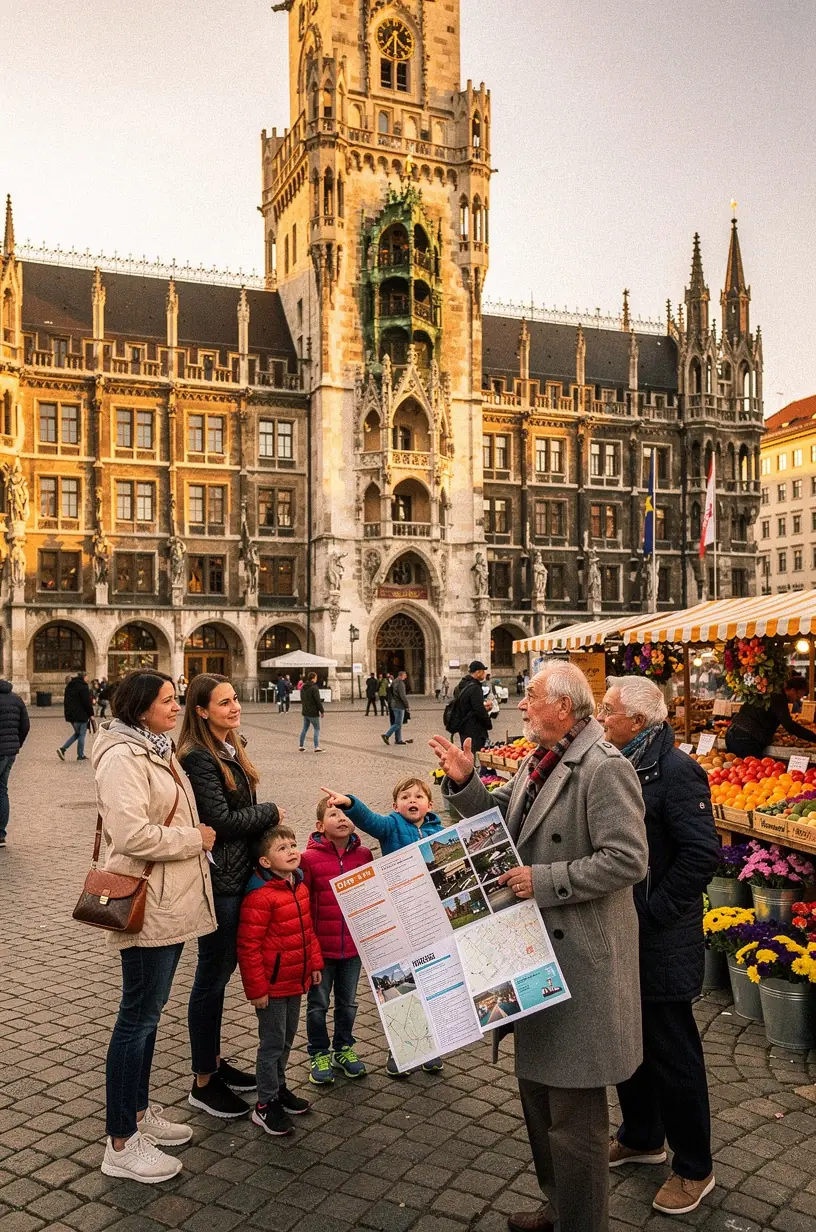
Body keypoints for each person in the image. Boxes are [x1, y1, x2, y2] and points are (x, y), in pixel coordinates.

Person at [430, 661, 648, 1232]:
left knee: (574, 1117)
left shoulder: (603, 768)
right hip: (532, 954)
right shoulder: (538, 758)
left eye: (530, 697)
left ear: (565, 707)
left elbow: (628, 859)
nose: (520, 706)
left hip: (581, 961)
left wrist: (545, 879)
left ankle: (583, 1223)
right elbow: (505, 822)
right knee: (537, 1098)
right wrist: (463, 783)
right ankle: (557, 1206)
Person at [599, 676, 719, 1216]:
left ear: (639, 723)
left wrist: (652, 913)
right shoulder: (620, 762)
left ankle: (694, 1166)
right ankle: (643, 1134)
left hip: (660, 937)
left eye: (609, 711)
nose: (601, 719)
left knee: (673, 1054)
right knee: (629, 1040)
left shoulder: (676, 771)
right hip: (623, 932)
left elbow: (700, 855)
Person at [93, 670, 217, 1184]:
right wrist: (196, 839)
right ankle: (120, 1142)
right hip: (147, 901)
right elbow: (130, 834)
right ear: (141, 707)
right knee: (137, 1017)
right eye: (168, 699)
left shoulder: (154, 747)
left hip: (168, 900)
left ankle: (140, 1114)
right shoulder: (123, 756)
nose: (177, 705)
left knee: (148, 1012)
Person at [178, 674, 281, 1120]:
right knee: (211, 977)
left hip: (236, 877)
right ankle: (203, 1081)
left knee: (219, 973)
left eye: (235, 699)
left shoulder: (228, 747)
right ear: (201, 711)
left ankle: (215, 1065)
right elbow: (218, 822)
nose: (235, 706)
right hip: (220, 882)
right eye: (225, 702)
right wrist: (270, 812)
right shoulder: (199, 756)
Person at [321, 776, 445, 1077]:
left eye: (418, 796)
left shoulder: (439, 831)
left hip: (429, 920)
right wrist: (349, 803)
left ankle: (430, 1045)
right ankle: (400, 1048)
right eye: (405, 797)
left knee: (431, 982)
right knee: (400, 987)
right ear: (395, 805)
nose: (412, 800)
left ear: (430, 804)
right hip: (397, 921)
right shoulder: (391, 826)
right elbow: (369, 820)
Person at [236, 825, 323, 1136]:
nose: (291, 851)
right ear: (264, 862)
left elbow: (307, 930)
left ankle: (280, 1089)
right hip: (271, 987)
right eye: (282, 848)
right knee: (271, 1044)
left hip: (295, 979)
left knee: (286, 1039)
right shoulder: (260, 897)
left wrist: (313, 962)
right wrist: (257, 989)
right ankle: (265, 1103)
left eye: (293, 845)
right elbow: (248, 947)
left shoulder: (298, 886)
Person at [300, 798, 373, 1085]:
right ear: (320, 826)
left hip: (353, 947)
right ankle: (318, 1051)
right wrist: (309, 948)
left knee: (349, 1002)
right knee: (317, 1003)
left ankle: (344, 1047)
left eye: (344, 814)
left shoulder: (364, 855)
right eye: (333, 814)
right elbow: (302, 905)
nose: (341, 819)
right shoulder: (308, 859)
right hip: (322, 947)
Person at [725, 674, 816, 758]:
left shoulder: (771, 690)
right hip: (746, 738)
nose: (796, 700)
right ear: (792, 690)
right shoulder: (779, 697)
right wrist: (813, 737)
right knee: (748, 771)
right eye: (797, 697)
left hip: (733, 732)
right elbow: (789, 725)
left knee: (737, 770)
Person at [0, 679, 29, 847]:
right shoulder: (17, 699)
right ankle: (1, 834)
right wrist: (16, 745)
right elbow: (25, 726)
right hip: (10, 752)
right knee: (2, 790)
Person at [449, 661, 492, 754]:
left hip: (462, 726)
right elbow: (478, 709)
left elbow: (466, 704)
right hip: (474, 728)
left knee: (467, 752)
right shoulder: (475, 687)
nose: (484, 674)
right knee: (476, 754)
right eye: (483, 671)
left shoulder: (460, 685)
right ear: (478, 672)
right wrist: (488, 723)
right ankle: (474, 769)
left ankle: (469, 768)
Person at [57, 670, 94, 762]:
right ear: (84, 677)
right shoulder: (83, 687)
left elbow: (66, 702)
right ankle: (80, 755)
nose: (88, 679)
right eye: (87, 677)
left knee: (77, 734)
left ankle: (63, 749)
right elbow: (86, 702)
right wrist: (91, 714)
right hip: (81, 715)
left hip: (71, 716)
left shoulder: (69, 686)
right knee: (82, 735)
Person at [382, 670, 412, 745]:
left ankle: (398, 739)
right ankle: (386, 735)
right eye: (405, 675)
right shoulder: (400, 683)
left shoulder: (394, 682)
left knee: (397, 722)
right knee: (398, 723)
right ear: (402, 675)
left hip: (393, 704)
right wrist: (407, 705)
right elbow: (403, 696)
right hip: (399, 705)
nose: (406, 677)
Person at [299, 672, 324, 752]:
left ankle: (301, 745)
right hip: (313, 712)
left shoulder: (303, 687)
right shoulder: (314, 687)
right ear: (313, 678)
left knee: (304, 729)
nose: (317, 678)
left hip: (305, 711)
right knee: (317, 728)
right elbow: (317, 701)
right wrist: (322, 711)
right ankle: (316, 747)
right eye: (316, 677)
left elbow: (302, 699)